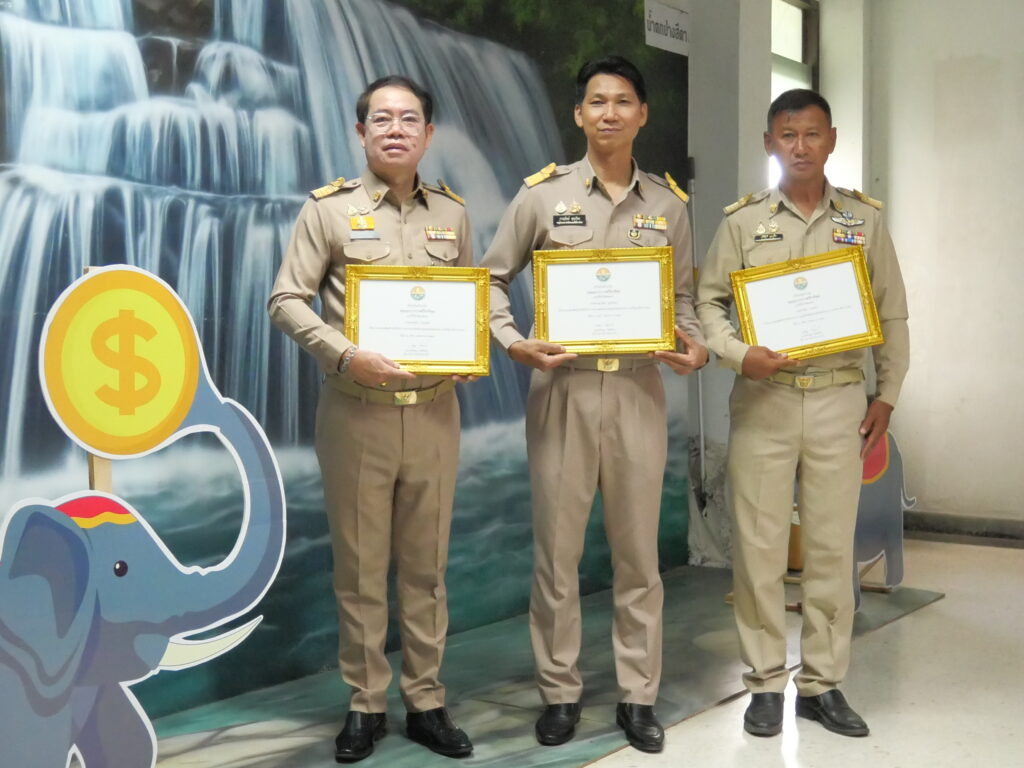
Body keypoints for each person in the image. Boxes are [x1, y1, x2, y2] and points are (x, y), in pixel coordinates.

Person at [481, 55, 707, 754]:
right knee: (558, 555)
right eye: (597, 101)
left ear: (643, 114)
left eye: (623, 101)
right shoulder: (541, 197)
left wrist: (694, 346)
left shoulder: (669, 206)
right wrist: (513, 341)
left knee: (638, 556)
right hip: (563, 390)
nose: (610, 112)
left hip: (638, 391)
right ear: (578, 114)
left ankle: (639, 695)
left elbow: (684, 301)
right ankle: (560, 692)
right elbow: (489, 281)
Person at [267, 75, 474, 763]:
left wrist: (467, 350)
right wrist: (346, 353)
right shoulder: (328, 211)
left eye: (409, 119)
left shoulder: (453, 215)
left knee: (426, 569)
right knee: (359, 570)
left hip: (435, 413)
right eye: (381, 119)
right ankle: (365, 704)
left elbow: (465, 300)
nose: (395, 130)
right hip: (357, 414)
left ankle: (427, 701)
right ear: (360, 133)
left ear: (428, 134)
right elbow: (285, 300)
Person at [696, 88, 909, 738]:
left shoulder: (864, 221)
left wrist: (887, 394)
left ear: (832, 140)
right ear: (769, 143)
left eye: (812, 134)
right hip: (764, 399)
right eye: (787, 135)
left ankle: (822, 684)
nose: (800, 146)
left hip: (841, 398)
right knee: (759, 548)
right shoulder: (742, 223)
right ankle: (764, 683)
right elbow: (708, 305)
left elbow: (893, 313)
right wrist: (740, 355)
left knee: (829, 548)